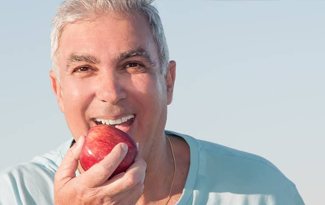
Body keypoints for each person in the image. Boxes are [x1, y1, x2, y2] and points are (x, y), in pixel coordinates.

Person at [0, 0, 304, 204]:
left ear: (168, 82)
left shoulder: (260, 190)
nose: (110, 91)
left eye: (133, 64)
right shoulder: (16, 193)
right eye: (84, 69)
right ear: (58, 91)